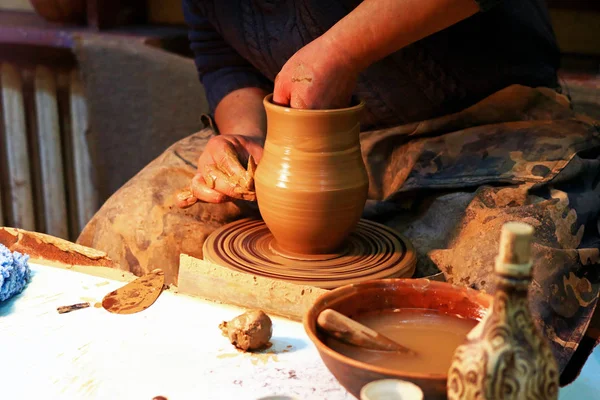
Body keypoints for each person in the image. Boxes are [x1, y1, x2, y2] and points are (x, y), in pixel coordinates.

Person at [77, 0, 600, 384]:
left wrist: (342, 51)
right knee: (130, 233)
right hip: (297, 135)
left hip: (488, 121)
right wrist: (245, 140)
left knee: (508, 293)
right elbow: (220, 55)